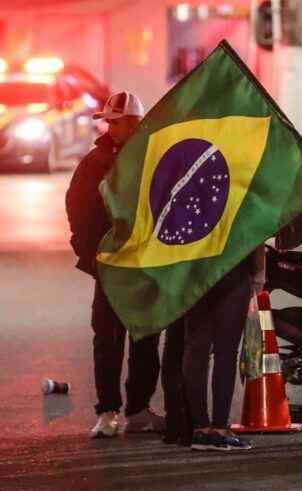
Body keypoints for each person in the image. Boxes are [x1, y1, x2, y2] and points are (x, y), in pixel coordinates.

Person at [66, 91, 165, 438]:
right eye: (111, 121)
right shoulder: (94, 163)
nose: (114, 127)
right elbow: (77, 209)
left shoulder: (153, 157)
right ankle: (107, 412)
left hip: (144, 268)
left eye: (119, 121)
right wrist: (92, 255)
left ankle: (138, 410)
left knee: (145, 340)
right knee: (107, 341)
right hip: (109, 270)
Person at [183, 247, 265, 452]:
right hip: (233, 266)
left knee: (196, 350)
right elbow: (256, 224)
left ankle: (200, 429)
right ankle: (219, 430)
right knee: (226, 352)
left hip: (194, 267)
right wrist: (259, 273)